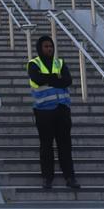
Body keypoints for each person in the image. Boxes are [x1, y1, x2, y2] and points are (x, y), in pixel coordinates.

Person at [27, 35, 78, 191]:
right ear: (40, 48)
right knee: (46, 146)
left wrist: (49, 78)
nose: (49, 49)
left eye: (50, 46)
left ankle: (70, 177)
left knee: (65, 145)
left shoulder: (59, 62)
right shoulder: (33, 63)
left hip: (62, 108)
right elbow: (37, 78)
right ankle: (47, 178)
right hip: (43, 110)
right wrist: (56, 77)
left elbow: (67, 81)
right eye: (46, 46)